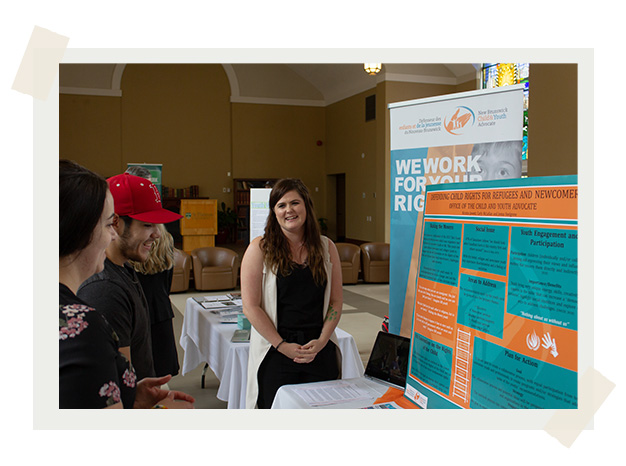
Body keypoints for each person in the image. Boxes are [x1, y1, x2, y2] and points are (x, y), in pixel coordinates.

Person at [59, 159, 194, 409]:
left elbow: (113, 380)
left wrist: (134, 395)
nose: (157, 233)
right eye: (107, 224)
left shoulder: (125, 271)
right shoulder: (103, 292)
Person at [241, 178, 344, 409]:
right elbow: (251, 306)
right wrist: (281, 345)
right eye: (281, 205)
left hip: (318, 348)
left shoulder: (326, 247)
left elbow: (336, 302)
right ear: (273, 212)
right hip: (276, 350)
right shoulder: (260, 249)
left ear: (306, 206)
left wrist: (322, 340)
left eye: (295, 203)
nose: (289, 210)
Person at [78, 171, 182, 380]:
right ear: (116, 223)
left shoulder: (123, 270)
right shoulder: (106, 289)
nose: (158, 234)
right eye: (147, 225)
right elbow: (117, 382)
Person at [125, 166, 179, 378]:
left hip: (145, 303)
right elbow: (168, 276)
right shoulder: (164, 235)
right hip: (158, 305)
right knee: (157, 368)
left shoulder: (150, 233)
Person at [128, 223, 180, 378]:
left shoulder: (134, 241)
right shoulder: (166, 239)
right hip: (161, 305)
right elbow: (168, 279)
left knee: (140, 360)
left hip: (138, 304)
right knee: (162, 363)